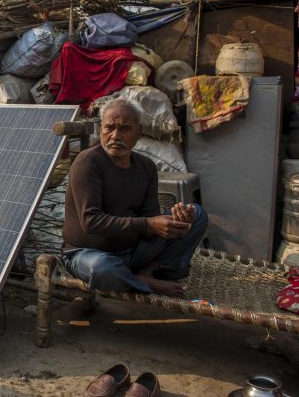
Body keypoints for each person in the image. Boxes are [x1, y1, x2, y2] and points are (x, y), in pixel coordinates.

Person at [62, 98, 208, 297]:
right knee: (102, 268)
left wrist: (176, 223)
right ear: (101, 129)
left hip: (133, 252)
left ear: (139, 132)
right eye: (109, 128)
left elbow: (149, 219)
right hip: (87, 253)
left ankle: (146, 272)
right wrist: (150, 224)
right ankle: (142, 281)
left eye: (125, 129)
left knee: (197, 214)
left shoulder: (146, 167)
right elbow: (91, 222)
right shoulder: (88, 162)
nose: (115, 136)